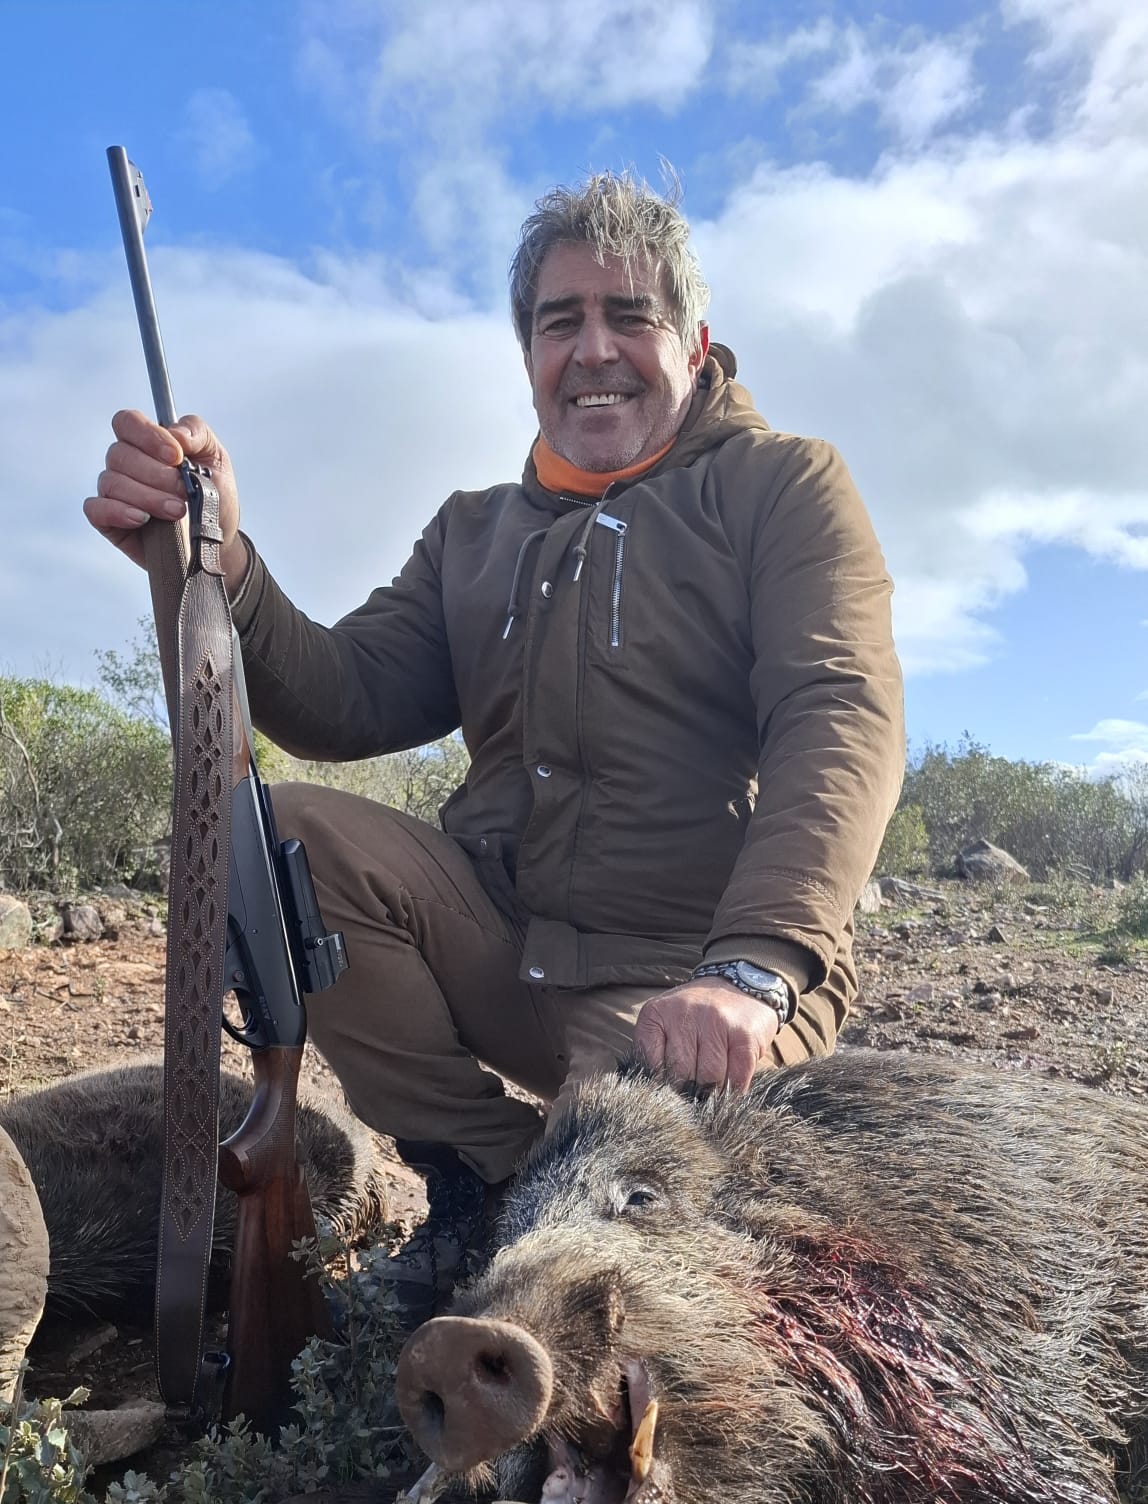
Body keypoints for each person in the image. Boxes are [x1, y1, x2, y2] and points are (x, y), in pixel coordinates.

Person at [85, 172, 904, 1328]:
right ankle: (483, 1178)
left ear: (691, 343)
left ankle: (562, 1195)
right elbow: (342, 697)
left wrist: (749, 972)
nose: (593, 350)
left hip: (684, 987)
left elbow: (838, 711)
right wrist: (215, 559)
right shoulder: (472, 531)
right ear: (528, 356)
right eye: (560, 322)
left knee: (608, 1276)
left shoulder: (782, 487)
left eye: (628, 316)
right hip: (509, 951)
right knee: (290, 841)